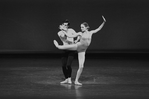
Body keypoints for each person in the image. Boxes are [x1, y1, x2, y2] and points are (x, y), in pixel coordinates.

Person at [54, 16, 106, 85]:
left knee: (81, 66)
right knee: (64, 47)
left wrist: (104, 22)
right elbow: (70, 36)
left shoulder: (91, 32)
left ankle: (76, 81)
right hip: (77, 46)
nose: (81, 28)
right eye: (81, 27)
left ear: (87, 27)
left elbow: (99, 28)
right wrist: (63, 31)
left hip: (83, 50)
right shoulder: (80, 33)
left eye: (82, 27)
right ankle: (57, 46)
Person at [57, 19, 80, 84]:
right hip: (65, 49)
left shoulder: (71, 30)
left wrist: (76, 40)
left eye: (67, 25)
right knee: (63, 65)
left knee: (68, 65)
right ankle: (66, 79)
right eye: (64, 25)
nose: (65, 26)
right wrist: (63, 30)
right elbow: (65, 38)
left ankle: (69, 79)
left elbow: (77, 35)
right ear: (61, 25)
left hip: (72, 49)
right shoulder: (60, 33)